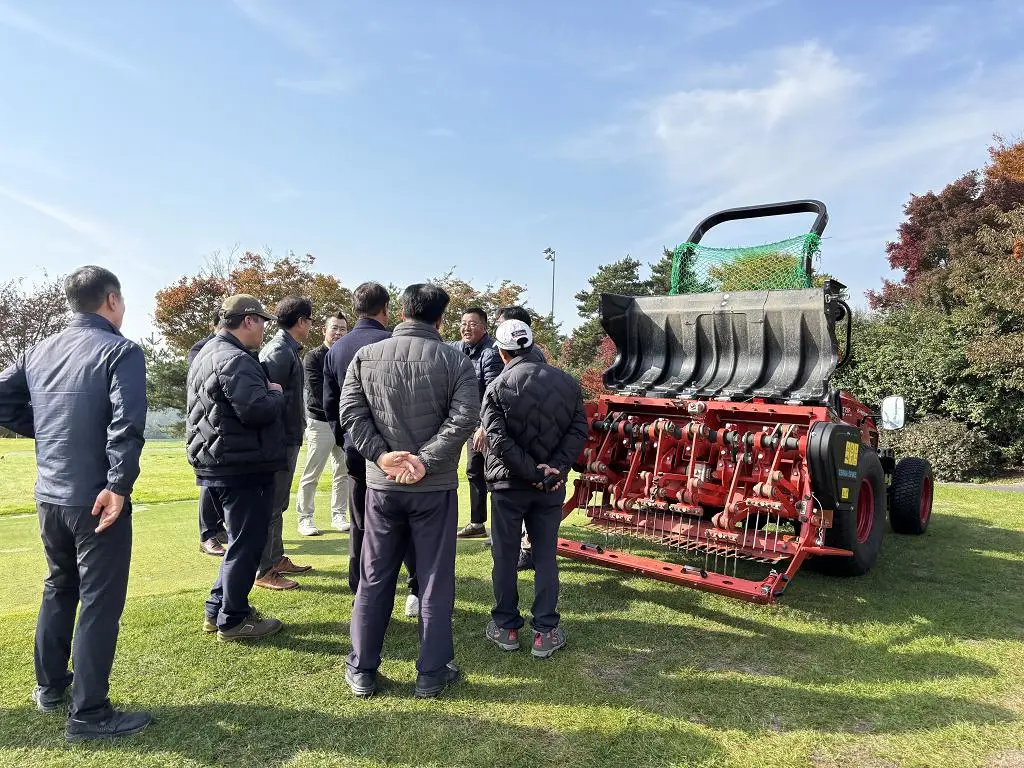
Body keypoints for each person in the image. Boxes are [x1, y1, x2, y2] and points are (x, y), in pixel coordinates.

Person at [0, 265, 152, 741]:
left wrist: (40, 426)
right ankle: (89, 714)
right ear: (111, 300)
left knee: (59, 586)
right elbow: (127, 424)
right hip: (97, 499)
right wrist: (119, 484)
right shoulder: (122, 350)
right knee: (99, 603)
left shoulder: (37, 350)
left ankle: (50, 688)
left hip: (50, 496)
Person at [339, 283, 478, 698]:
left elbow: (350, 414)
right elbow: (465, 417)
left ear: (401, 312)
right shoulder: (455, 360)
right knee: (434, 578)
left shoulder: (366, 356)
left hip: (383, 487)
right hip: (432, 488)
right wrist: (426, 460)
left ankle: (363, 667)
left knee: (374, 575)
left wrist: (382, 457)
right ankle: (432, 671)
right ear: (440, 318)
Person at [481, 319, 588, 659]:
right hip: (550, 485)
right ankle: (545, 630)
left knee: (505, 555)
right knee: (545, 555)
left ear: (502, 352)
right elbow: (578, 431)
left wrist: (530, 472)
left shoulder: (497, 386)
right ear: (532, 346)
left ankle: (507, 625)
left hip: (509, 484)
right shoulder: (568, 383)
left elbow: (496, 440)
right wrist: (553, 469)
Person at [186, 294, 287, 644]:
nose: (263, 330)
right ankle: (233, 619)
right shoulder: (236, 359)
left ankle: (218, 610)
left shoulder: (204, 355)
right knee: (247, 543)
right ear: (248, 320)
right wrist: (276, 392)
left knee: (238, 542)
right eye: (262, 321)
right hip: (242, 465)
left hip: (218, 461)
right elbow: (256, 410)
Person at [323, 283, 420, 617]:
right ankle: (415, 589)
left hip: (356, 449)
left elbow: (331, 404)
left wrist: (345, 440)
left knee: (361, 524)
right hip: (396, 449)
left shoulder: (336, 349)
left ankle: (361, 591)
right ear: (386, 310)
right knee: (405, 521)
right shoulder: (395, 343)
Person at [255, 296, 315, 591]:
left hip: (288, 438)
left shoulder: (286, 349)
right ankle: (264, 570)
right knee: (271, 504)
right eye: (310, 320)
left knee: (279, 503)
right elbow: (269, 399)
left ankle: (276, 559)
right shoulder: (279, 351)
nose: (310, 326)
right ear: (301, 321)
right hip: (278, 441)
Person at [494, 306, 546, 572]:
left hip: (523, 436)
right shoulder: (535, 354)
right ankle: (530, 547)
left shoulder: (529, 358)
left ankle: (526, 549)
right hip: (533, 437)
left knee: (522, 492)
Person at [450, 307, 503, 541]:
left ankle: (499, 527)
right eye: (463, 323)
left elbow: (493, 394)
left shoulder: (490, 354)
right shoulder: (457, 350)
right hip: (465, 421)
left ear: (484, 327)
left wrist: (484, 425)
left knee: (491, 473)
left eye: (472, 323)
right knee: (473, 471)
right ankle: (477, 522)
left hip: (486, 424)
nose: (466, 327)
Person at [295, 311, 350, 537]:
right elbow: (318, 392)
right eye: (334, 328)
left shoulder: (348, 354)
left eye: (343, 329)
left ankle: (339, 514)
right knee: (313, 472)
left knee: (343, 471)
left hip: (344, 422)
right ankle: (305, 518)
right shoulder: (314, 357)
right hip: (320, 421)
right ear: (324, 330)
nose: (338, 333)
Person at [190, 309, 229, 557]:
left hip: (223, 427)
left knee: (221, 482)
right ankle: (207, 535)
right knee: (209, 482)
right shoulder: (201, 349)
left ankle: (218, 527)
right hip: (205, 427)